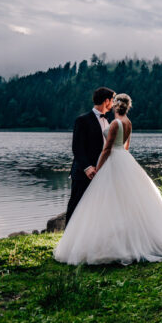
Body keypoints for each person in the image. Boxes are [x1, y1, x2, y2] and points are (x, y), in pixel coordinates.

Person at [54, 93, 162, 265]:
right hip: (124, 159)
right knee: (126, 201)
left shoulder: (115, 123)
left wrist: (98, 169)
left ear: (115, 106)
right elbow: (126, 146)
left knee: (109, 201)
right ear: (127, 107)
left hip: (113, 160)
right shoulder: (128, 123)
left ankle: (115, 241)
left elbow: (107, 149)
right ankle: (127, 238)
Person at [66, 87, 115, 224]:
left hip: (100, 172)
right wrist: (87, 167)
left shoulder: (107, 121)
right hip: (83, 172)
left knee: (96, 206)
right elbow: (77, 148)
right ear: (106, 101)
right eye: (112, 100)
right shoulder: (82, 120)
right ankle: (68, 237)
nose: (113, 103)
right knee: (76, 204)